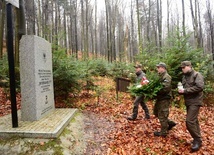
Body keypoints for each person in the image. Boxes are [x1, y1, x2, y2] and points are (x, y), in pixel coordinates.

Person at [178, 61, 204, 152]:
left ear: (189, 66)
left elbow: (199, 87)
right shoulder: (184, 77)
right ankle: (198, 138)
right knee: (194, 121)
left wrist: (185, 91)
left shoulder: (197, 75)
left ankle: (197, 140)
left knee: (189, 121)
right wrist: (180, 91)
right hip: (188, 102)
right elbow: (184, 88)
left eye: (183, 67)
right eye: (181, 68)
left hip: (195, 101)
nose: (182, 69)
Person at [153, 62, 176, 137]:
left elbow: (165, 88)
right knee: (156, 112)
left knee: (162, 114)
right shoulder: (160, 76)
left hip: (165, 98)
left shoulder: (167, 77)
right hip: (160, 98)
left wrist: (155, 91)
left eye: (158, 67)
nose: (157, 69)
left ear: (163, 68)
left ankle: (163, 132)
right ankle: (169, 123)